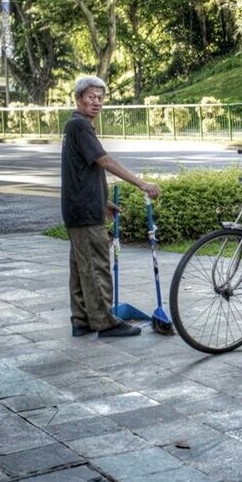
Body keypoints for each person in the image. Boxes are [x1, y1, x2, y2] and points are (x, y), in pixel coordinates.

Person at [61, 76, 161, 338]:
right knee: (97, 266)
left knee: (81, 268)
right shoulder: (80, 126)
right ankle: (105, 322)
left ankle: (81, 319)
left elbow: (81, 171)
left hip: (81, 207)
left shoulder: (77, 126)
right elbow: (104, 160)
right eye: (91, 97)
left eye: (100, 98)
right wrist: (141, 183)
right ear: (78, 98)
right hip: (83, 213)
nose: (97, 102)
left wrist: (102, 200)